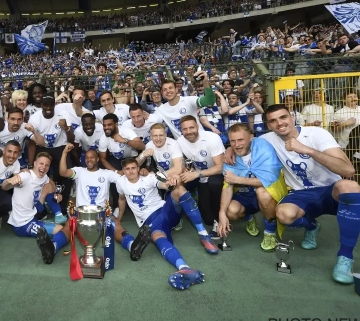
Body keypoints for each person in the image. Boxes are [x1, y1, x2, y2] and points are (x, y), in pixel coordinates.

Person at [260, 104, 360, 284]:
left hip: (330, 190)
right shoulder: (267, 139)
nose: (279, 123)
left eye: (283, 117)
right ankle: (312, 226)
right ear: (269, 125)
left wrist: (307, 150)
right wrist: (230, 149)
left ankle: (345, 257)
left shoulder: (317, 134)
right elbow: (244, 141)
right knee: (284, 215)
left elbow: (348, 169)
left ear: (292, 117)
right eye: (273, 121)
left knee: (350, 186)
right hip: (302, 193)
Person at [115, 158, 205, 290]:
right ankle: (185, 268)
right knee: (157, 237)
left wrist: (170, 182)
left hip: (164, 210)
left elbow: (163, 184)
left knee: (179, 189)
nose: (131, 171)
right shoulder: (120, 182)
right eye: (127, 169)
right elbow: (122, 199)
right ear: (123, 171)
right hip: (149, 220)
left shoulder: (148, 178)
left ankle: (203, 234)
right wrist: (119, 217)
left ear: (138, 168)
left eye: (133, 168)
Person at [217, 124, 287, 252]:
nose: (237, 145)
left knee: (263, 193)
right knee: (230, 211)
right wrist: (221, 212)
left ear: (251, 137)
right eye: (233, 141)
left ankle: (270, 233)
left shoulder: (264, 147)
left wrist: (238, 179)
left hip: (268, 191)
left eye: (241, 140)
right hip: (246, 193)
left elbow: (268, 180)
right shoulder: (229, 157)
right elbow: (227, 186)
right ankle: (249, 217)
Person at [2, 152, 71, 264]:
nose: (43, 167)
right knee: (63, 230)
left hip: (34, 214)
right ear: (34, 163)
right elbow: (5, 187)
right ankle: (53, 246)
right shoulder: (25, 176)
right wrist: (9, 181)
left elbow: (50, 182)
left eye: (47, 165)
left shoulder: (44, 177)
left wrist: (57, 193)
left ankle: (57, 216)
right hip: (23, 224)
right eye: (41, 164)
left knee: (48, 187)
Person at [176, 115, 225, 242]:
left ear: (198, 127)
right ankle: (178, 216)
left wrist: (196, 174)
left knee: (214, 183)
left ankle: (220, 219)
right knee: (207, 219)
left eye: (191, 127)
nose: (188, 131)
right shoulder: (180, 141)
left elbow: (220, 167)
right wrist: (185, 169)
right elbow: (183, 161)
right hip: (200, 176)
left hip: (218, 175)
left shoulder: (212, 138)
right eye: (185, 129)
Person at [27, 93, 74, 213]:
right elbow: (32, 143)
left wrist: (66, 128)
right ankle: (39, 207)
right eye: (45, 104)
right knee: (40, 175)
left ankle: (62, 207)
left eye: (51, 104)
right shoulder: (35, 118)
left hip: (60, 147)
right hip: (43, 148)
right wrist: (31, 164)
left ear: (54, 104)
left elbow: (71, 138)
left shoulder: (63, 114)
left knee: (65, 175)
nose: (48, 107)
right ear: (41, 105)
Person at [154, 72, 215, 139]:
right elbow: (149, 122)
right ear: (162, 93)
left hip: (201, 140)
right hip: (182, 144)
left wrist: (205, 82)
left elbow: (210, 100)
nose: (168, 91)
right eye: (165, 90)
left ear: (176, 89)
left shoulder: (189, 100)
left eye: (170, 88)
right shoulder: (161, 110)